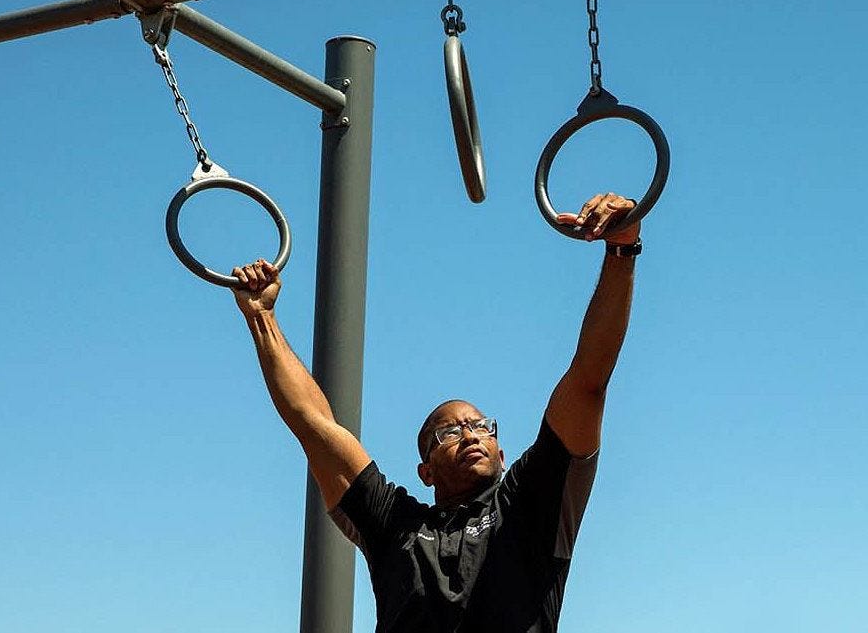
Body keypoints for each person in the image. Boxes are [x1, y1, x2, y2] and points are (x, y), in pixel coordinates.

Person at [230, 192, 641, 633]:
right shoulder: (396, 526)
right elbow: (314, 427)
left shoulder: (530, 503)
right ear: (425, 472)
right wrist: (261, 317)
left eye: (481, 427)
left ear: (502, 455)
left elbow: (588, 380)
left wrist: (622, 249)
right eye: (449, 433)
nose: (470, 435)